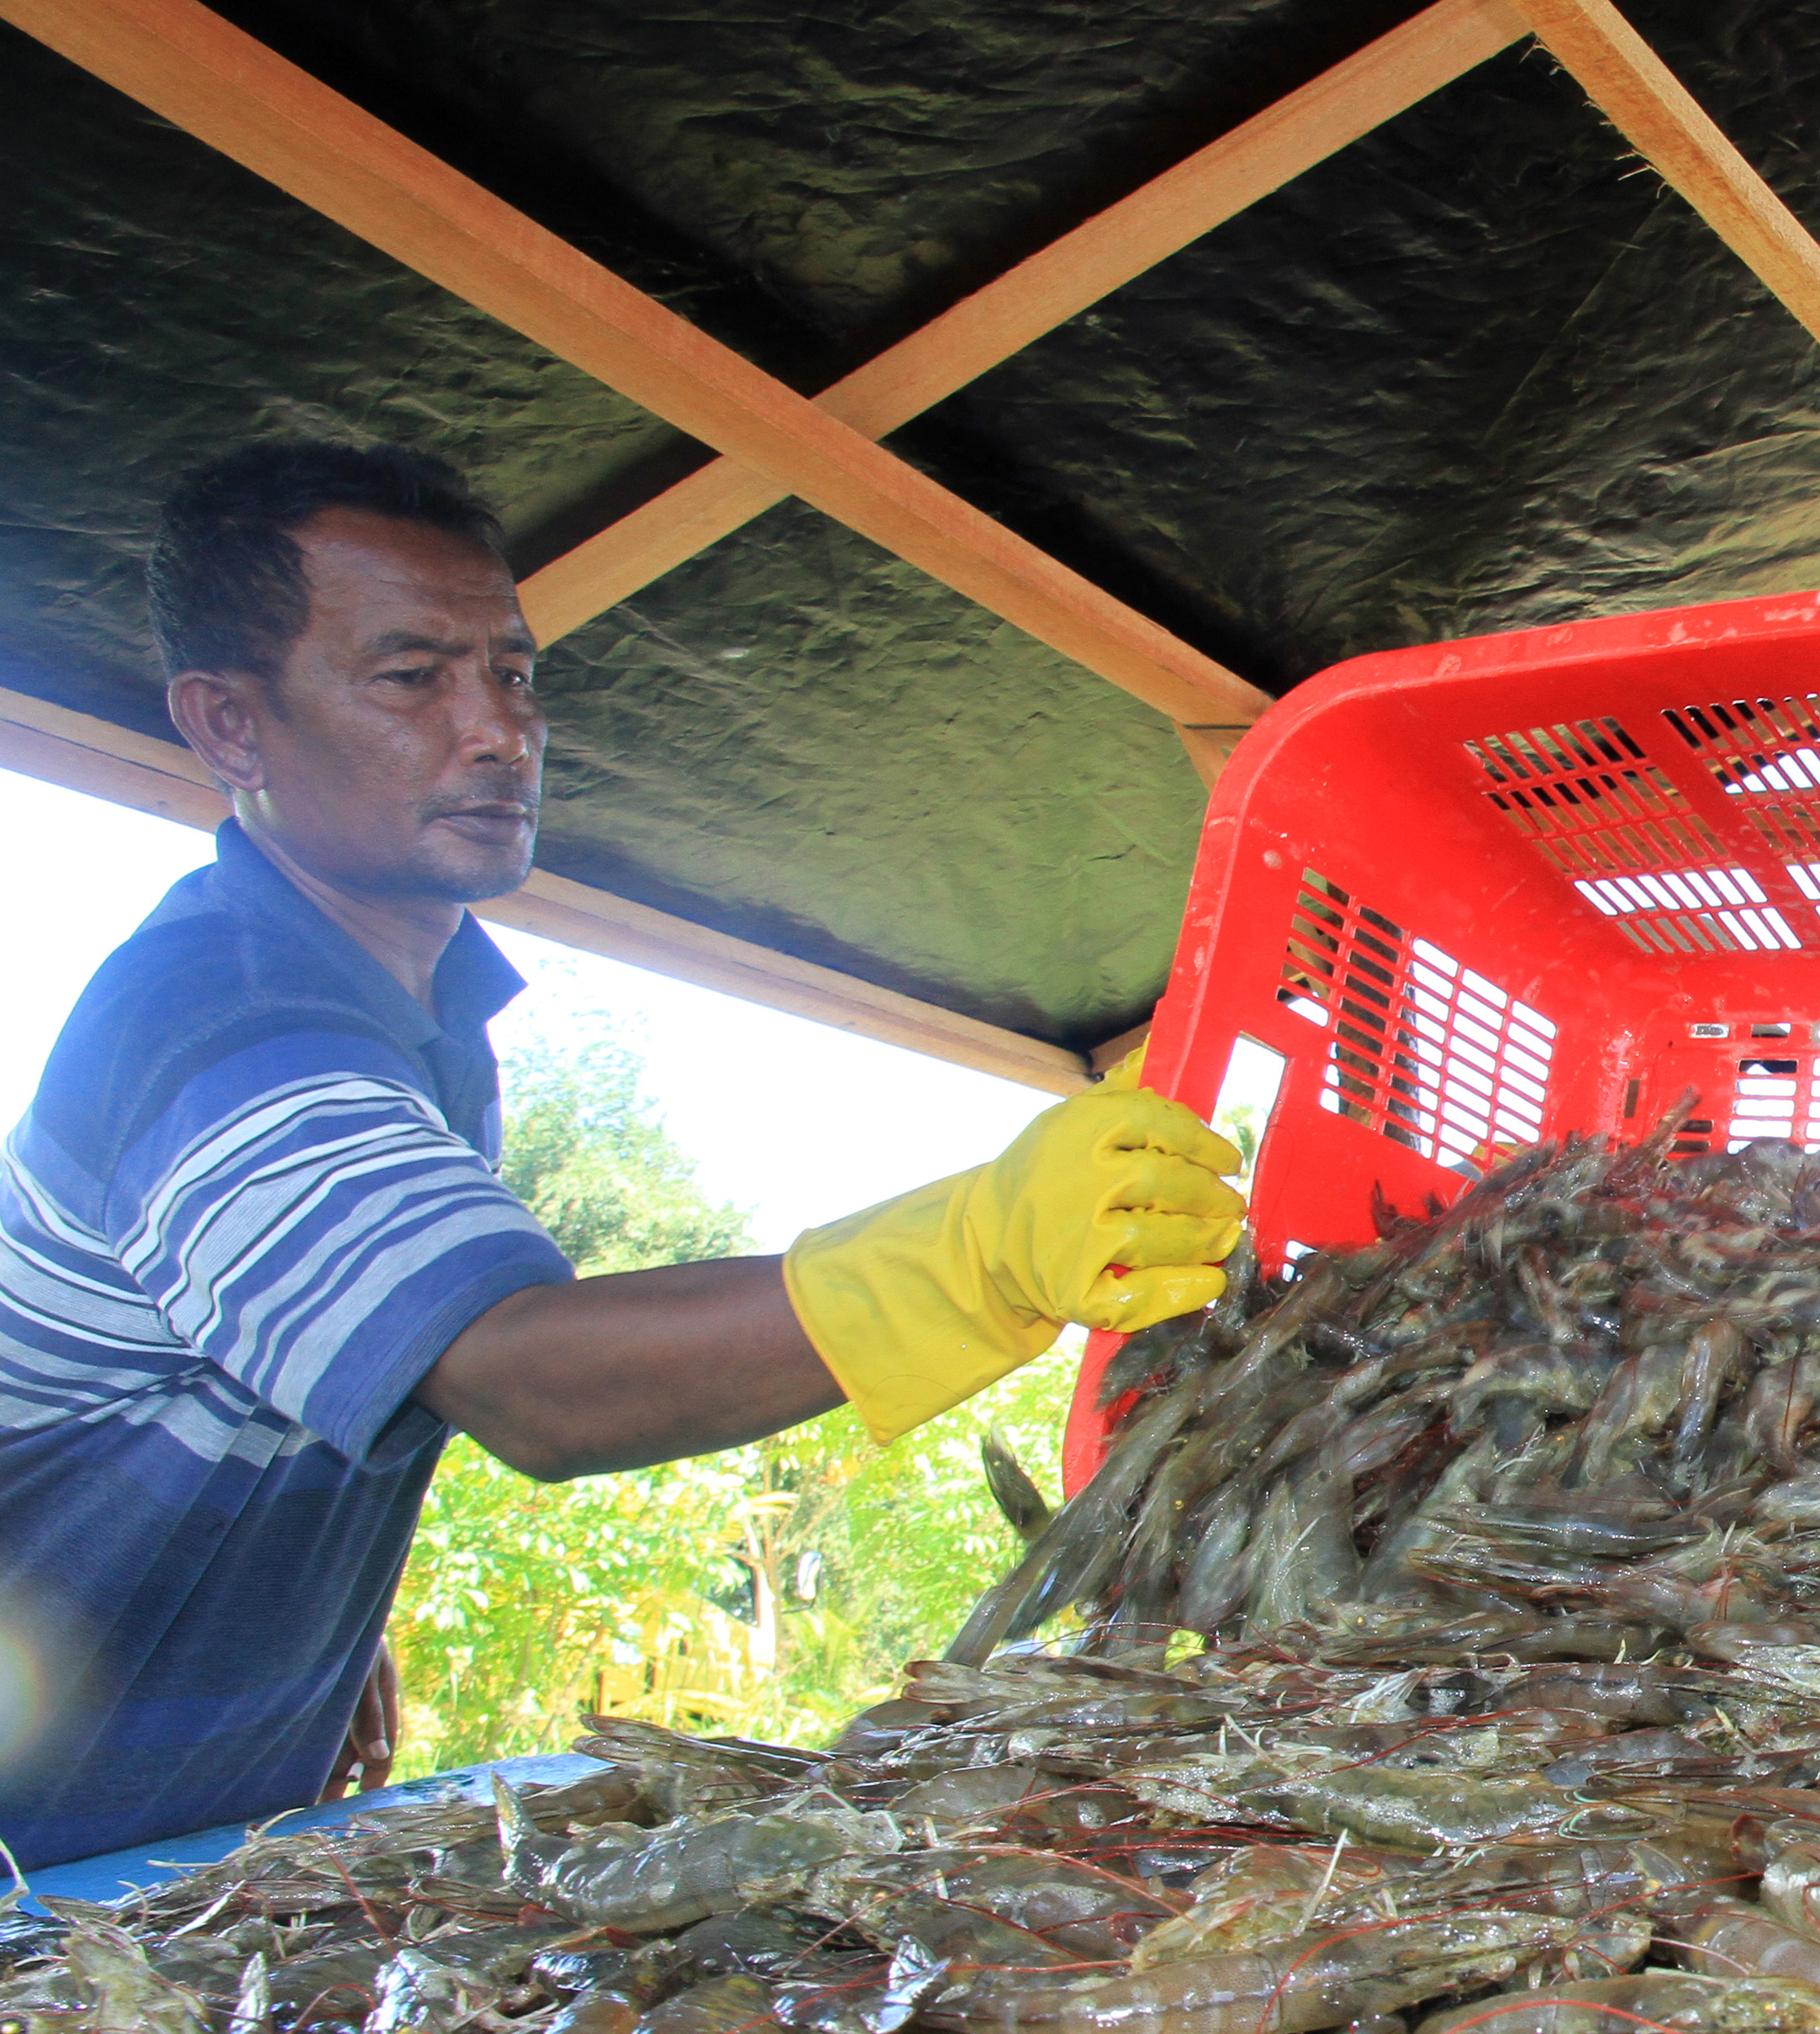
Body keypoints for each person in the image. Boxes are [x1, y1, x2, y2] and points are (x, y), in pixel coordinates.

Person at [0, 441, 1245, 1866]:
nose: (495, 731)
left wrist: (330, 1619)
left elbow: (299, 1373)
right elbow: (528, 1378)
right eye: (413, 678)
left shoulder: (418, 1027)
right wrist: (969, 1260)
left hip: (150, 1850)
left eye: (514, 674)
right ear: (229, 727)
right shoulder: (218, 1015)